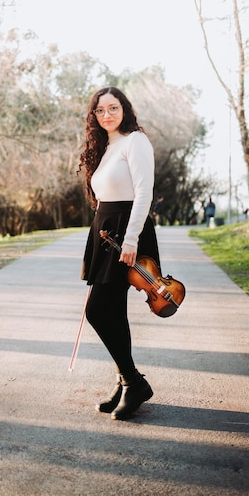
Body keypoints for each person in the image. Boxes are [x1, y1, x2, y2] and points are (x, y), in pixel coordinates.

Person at [78, 86, 160, 421]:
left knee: (98, 311)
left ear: (124, 108)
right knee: (112, 312)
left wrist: (130, 240)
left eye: (113, 108)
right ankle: (124, 380)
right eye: (101, 110)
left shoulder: (135, 141)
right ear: (94, 116)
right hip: (105, 232)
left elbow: (143, 193)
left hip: (126, 233)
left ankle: (135, 382)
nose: (107, 115)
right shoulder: (107, 145)